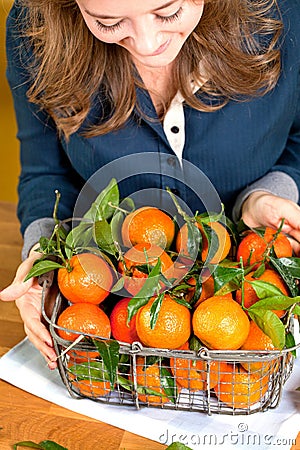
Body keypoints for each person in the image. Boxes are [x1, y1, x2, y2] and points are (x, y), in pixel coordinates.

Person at [1, 0, 300, 369]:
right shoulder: (35, 27)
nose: (146, 44)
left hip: (243, 302)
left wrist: (266, 195)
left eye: (168, 12)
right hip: (113, 315)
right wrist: (44, 260)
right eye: (107, 22)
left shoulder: (285, 13)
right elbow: (45, 174)